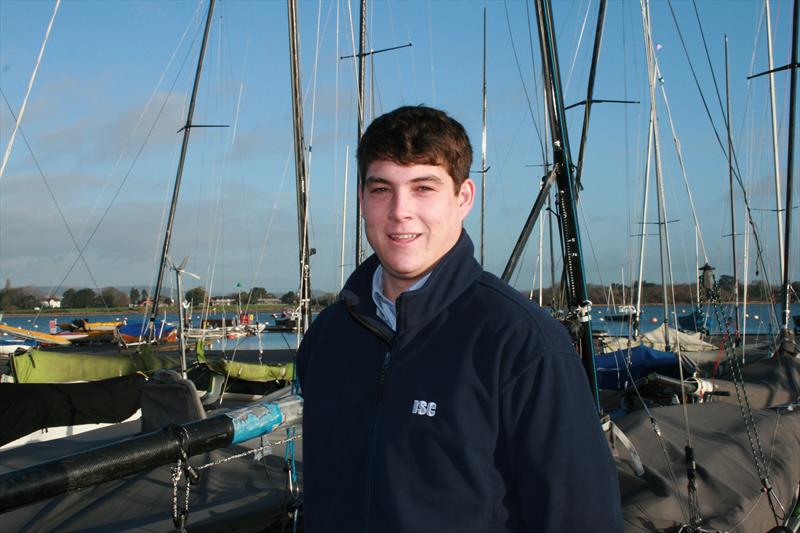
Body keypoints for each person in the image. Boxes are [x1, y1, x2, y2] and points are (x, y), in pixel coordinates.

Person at [297, 105, 622, 532]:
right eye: (381, 189)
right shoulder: (328, 338)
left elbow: (583, 519)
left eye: (423, 188)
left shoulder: (522, 344)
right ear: (362, 199)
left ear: (463, 197)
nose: (400, 211)